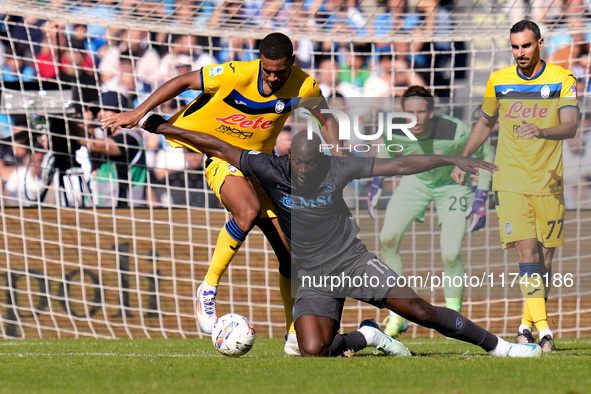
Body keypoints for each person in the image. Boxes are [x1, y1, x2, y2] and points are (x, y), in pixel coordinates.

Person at [140, 113, 542, 358]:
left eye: (310, 164)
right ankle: (368, 335)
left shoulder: (338, 167)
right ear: (289, 159)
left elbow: (400, 165)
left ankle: (501, 347)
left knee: (421, 312)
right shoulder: (269, 168)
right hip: (314, 274)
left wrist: (450, 157)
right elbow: (216, 144)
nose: (303, 171)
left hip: (352, 261)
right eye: (298, 164)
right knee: (313, 349)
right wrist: (161, 127)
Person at [101, 32, 341, 355]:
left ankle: (291, 335)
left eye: (279, 72)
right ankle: (208, 287)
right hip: (221, 160)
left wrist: (338, 155)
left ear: (292, 64)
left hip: (262, 166)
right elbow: (184, 81)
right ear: (259, 61)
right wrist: (136, 112)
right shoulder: (236, 73)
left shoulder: (305, 86)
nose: (272, 77)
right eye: (267, 70)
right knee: (247, 210)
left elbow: (326, 118)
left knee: (293, 255)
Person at [451, 20, 579, 353]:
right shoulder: (499, 81)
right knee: (527, 254)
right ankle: (546, 331)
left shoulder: (563, 79)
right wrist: (464, 158)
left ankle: (525, 326)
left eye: (525, 46)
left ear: (539, 43)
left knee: (545, 262)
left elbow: (570, 127)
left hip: (549, 181)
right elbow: (485, 122)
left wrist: (542, 131)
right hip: (509, 180)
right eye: (514, 47)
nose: (520, 52)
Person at [367, 86, 495, 337]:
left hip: (452, 185)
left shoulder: (457, 130)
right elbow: (385, 151)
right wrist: (375, 184)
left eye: (422, 111)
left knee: (450, 252)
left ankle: (454, 314)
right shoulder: (395, 128)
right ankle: (397, 314)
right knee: (387, 239)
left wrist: (481, 198)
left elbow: (486, 155)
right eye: (410, 112)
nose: (416, 117)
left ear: (432, 112)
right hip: (415, 183)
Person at [83, 91, 148, 208]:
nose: (100, 114)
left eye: (106, 109)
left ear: (120, 112)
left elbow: (95, 146)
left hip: (127, 210)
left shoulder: (130, 137)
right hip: (104, 207)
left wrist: (79, 126)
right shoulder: (107, 136)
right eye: (98, 110)